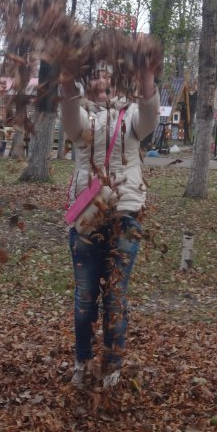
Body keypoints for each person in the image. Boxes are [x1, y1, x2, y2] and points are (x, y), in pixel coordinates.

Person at [60, 60, 160, 390]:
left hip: (125, 212)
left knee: (115, 295)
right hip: (88, 217)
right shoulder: (82, 118)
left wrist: (147, 77)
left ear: (117, 83)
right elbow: (70, 115)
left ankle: (113, 365)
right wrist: (66, 80)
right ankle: (83, 361)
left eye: (107, 76)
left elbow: (148, 119)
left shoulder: (130, 114)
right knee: (86, 295)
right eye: (94, 76)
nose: (101, 81)